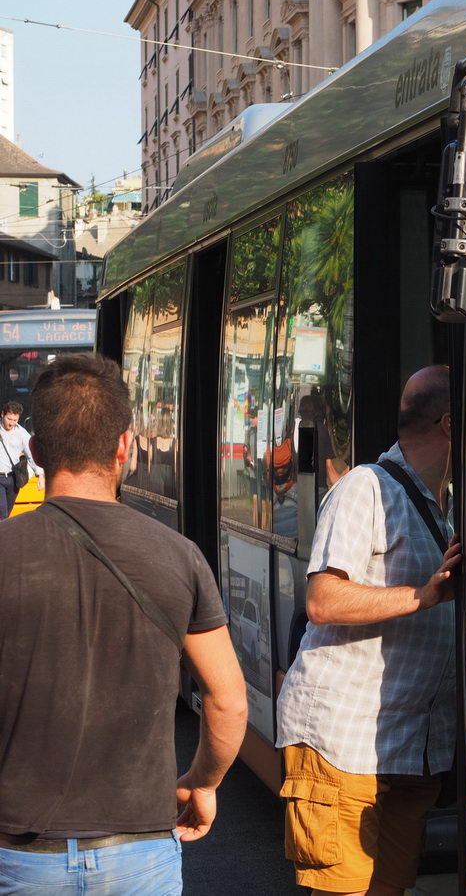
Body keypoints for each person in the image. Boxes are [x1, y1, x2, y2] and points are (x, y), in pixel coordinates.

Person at [0, 355, 248, 895]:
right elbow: (227, 701)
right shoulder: (178, 556)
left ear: (37, 453)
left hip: (17, 853)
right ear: (124, 448)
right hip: (139, 850)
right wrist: (202, 782)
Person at [276, 365, 462, 896]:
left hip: (409, 749)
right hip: (344, 745)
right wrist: (420, 596)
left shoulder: (448, 503)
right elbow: (322, 600)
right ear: (452, 424)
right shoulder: (367, 488)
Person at [0, 400, 44, 519]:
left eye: (15, 420)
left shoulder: (22, 433)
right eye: (9, 419)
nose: (12, 423)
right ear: (2, 415)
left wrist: (40, 475)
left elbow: (31, 453)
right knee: (2, 514)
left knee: (7, 513)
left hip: (13, 479)